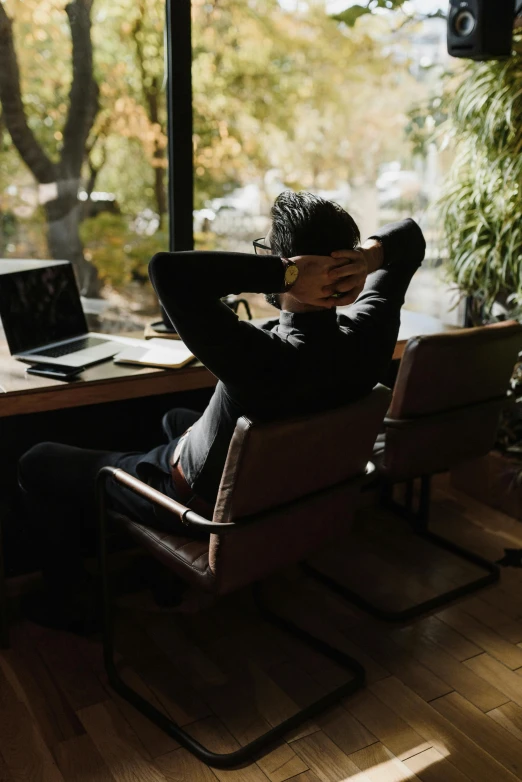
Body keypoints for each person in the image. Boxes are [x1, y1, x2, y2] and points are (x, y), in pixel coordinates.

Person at [18, 191, 425, 631]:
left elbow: (166, 270)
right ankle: (162, 573)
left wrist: (285, 274)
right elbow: (412, 239)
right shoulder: (369, 337)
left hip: (201, 507)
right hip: (285, 497)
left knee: (38, 459)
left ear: (291, 266)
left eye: (270, 254)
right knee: (176, 417)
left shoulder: (259, 357)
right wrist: (365, 259)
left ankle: (72, 603)